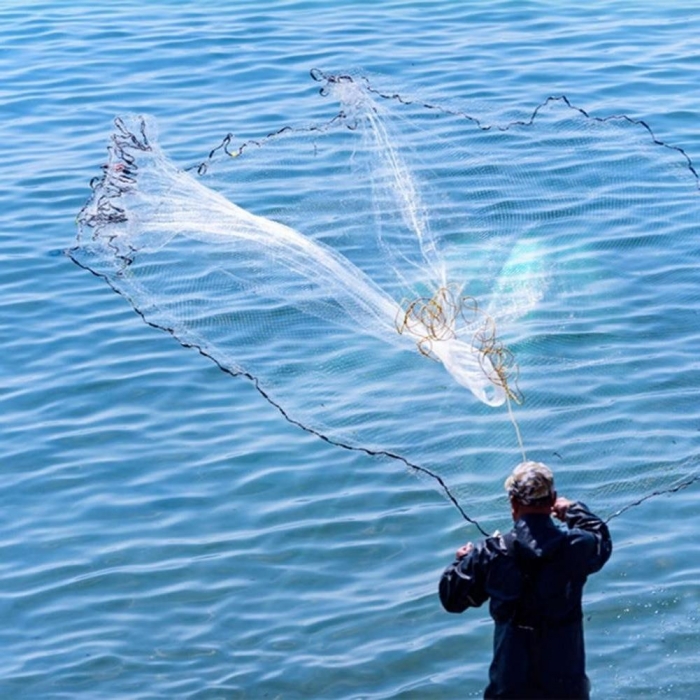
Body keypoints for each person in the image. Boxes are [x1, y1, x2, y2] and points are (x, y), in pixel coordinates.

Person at [439, 461, 612, 699]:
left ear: (512, 503)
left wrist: (461, 562)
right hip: (567, 686)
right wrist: (572, 510)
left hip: (510, 687)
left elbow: (452, 599)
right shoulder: (576, 547)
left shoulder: (491, 553)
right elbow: (601, 539)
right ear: (553, 500)